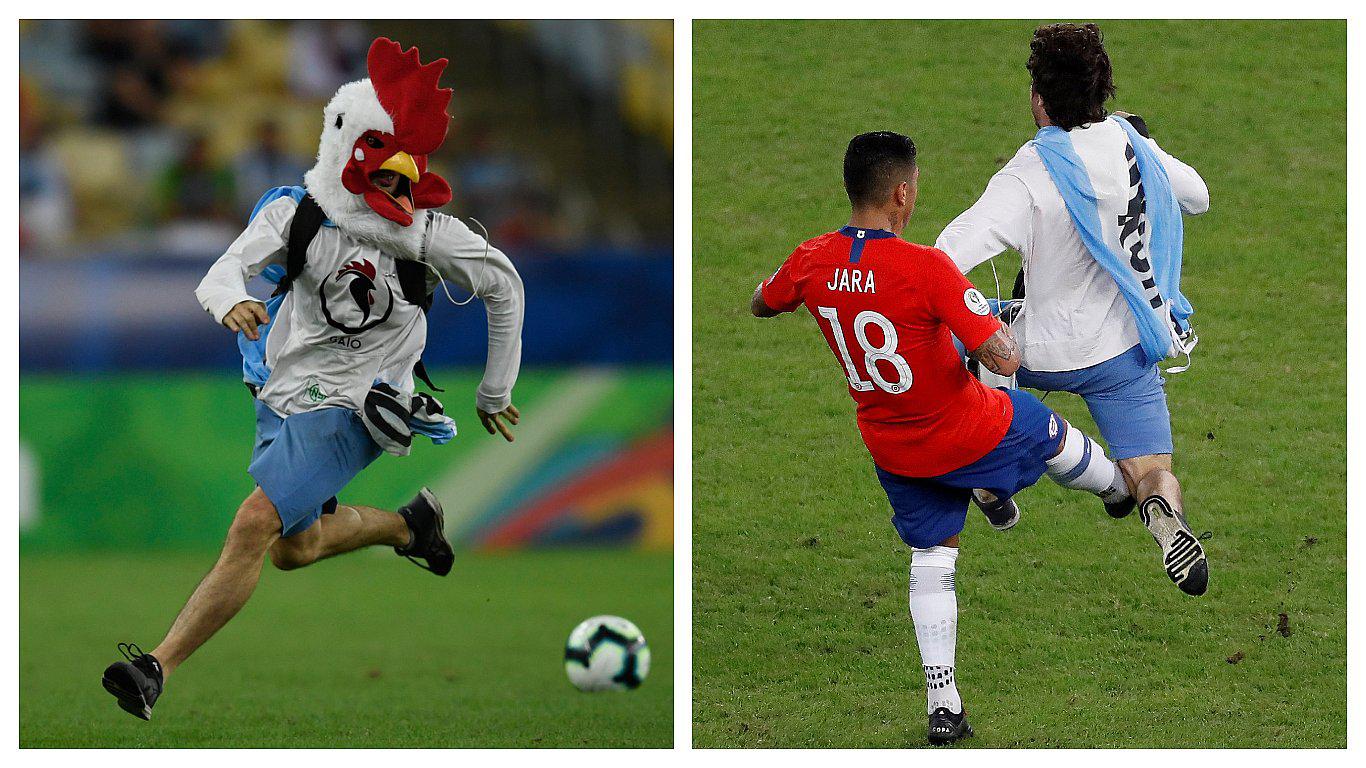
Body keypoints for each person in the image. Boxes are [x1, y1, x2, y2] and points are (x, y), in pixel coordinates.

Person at [100, 37, 525, 722]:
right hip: (284, 389)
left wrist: (494, 390)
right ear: (352, 158)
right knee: (294, 549)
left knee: (253, 525)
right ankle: (408, 527)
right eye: (384, 175)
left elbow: (505, 284)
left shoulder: (428, 236)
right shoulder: (295, 214)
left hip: (366, 400)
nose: (398, 191)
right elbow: (223, 270)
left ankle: (156, 666)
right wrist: (228, 301)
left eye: (406, 177)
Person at [751, 131, 1134, 745]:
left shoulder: (810, 259)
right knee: (1045, 428)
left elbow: (761, 304)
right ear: (901, 195)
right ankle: (1119, 489)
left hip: (892, 446)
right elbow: (1003, 360)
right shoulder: (927, 268)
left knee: (932, 563)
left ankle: (944, 705)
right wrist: (992, 315)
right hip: (965, 429)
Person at [935, 23, 1210, 598]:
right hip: (1125, 352)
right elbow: (1198, 196)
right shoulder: (1136, 147)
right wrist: (1149, 150)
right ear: (1102, 90)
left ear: (1038, 98)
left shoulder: (1032, 172)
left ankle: (989, 478)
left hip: (1037, 352)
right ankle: (1163, 512)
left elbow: (949, 254)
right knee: (1150, 470)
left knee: (970, 323)